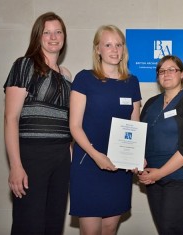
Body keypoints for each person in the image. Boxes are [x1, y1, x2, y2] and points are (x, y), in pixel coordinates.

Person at [4, 12, 72, 234]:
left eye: (58, 32)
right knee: (29, 224)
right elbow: (10, 118)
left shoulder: (66, 75)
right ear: (37, 36)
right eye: (47, 32)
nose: (54, 37)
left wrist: (69, 151)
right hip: (32, 155)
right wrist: (15, 165)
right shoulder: (24, 65)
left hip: (61, 157)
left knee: (53, 223)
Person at [69, 25, 141, 234]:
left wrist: (137, 156)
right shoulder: (84, 79)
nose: (114, 49)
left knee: (109, 229)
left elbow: (135, 125)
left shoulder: (131, 82)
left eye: (118, 45)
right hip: (89, 163)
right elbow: (74, 126)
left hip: (120, 166)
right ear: (97, 49)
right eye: (108, 45)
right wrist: (96, 156)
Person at [138, 55, 183, 235]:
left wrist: (160, 173)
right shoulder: (151, 103)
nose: (166, 74)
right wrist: (137, 164)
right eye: (161, 71)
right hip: (154, 180)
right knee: (164, 230)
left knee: (172, 229)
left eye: (172, 70)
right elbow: (139, 138)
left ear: (182, 74)